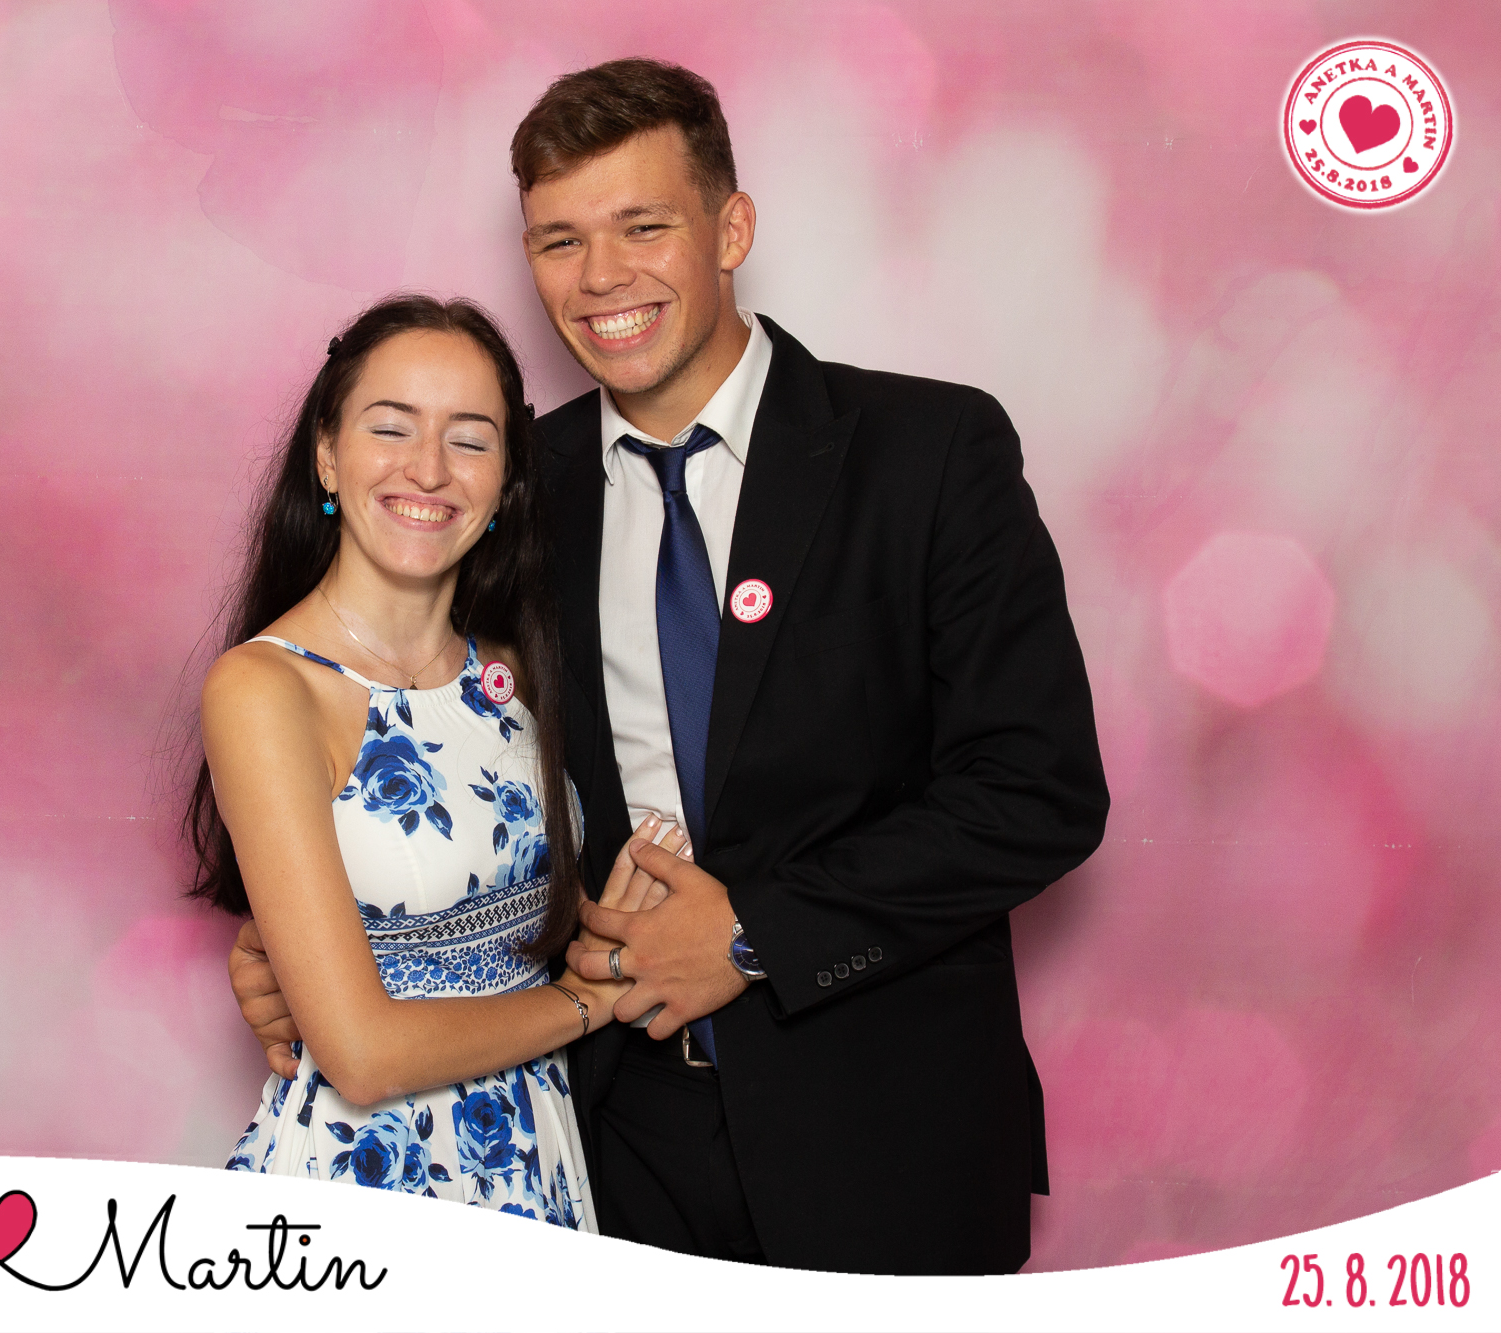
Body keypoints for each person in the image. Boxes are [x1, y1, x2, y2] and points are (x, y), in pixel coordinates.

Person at [228, 60, 1108, 1273]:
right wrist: (321, 944)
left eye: (642, 227)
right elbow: (420, 737)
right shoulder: (501, 493)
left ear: (730, 229)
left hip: (879, 1127)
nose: (600, 276)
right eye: (560, 241)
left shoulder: (925, 453)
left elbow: (1035, 791)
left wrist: (752, 932)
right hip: (601, 1134)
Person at [189, 293, 697, 1227]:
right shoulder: (266, 687)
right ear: (327, 453)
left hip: (538, 1155)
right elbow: (362, 1053)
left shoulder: (515, 667)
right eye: (391, 428)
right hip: (371, 1176)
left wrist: (623, 924)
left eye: (469, 439)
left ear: (506, 480)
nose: (428, 468)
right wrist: (585, 1001)